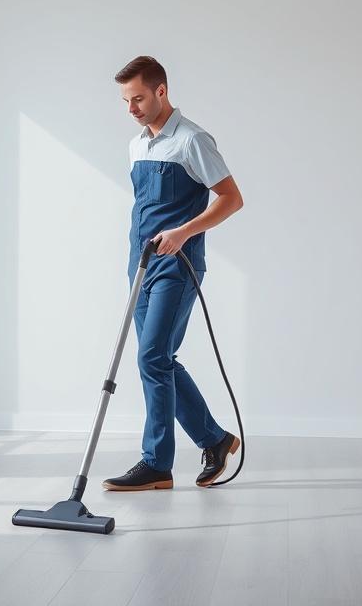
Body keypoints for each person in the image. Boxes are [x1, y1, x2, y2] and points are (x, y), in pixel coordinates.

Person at [101, 56, 244, 491]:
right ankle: (215, 440)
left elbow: (230, 198)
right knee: (157, 359)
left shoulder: (192, 140)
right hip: (140, 266)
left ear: (161, 91)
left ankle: (157, 462)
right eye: (126, 101)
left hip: (177, 268)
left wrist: (184, 232)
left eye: (139, 98)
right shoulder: (137, 145)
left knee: (151, 358)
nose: (132, 109)